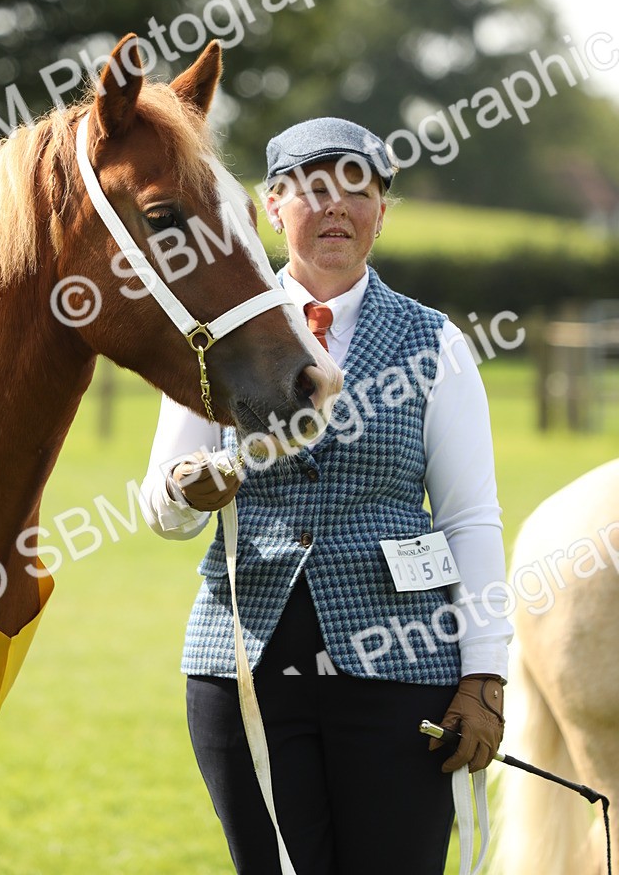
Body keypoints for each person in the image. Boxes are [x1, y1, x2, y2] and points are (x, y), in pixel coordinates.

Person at [140, 117, 511, 875]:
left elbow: (471, 517)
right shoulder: (214, 336)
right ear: (272, 206)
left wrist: (485, 676)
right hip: (242, 669)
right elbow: (161, 504)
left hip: (403, 669)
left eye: (359, 191)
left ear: (383, 210)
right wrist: (189, 490)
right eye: (312, 190)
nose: (336, 208)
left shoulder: (435, 342)